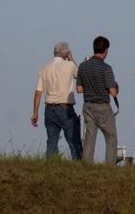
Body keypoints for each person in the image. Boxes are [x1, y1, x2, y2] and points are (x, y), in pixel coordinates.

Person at [31, 41, 82, 160]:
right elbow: (81, 75)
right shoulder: (70, 66)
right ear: (66, 53)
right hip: (65, 109)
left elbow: (38, 92)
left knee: (51, 143)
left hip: (49, 109)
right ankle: (78, 166)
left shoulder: (44, 69)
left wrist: (35, 113)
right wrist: (72, 59)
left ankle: (51, 167)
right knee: (73, 140)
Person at [76, 35, 118, 163]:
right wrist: (115, 85)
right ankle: (110, 165)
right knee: (111, 138)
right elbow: (113, 92)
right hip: (103, 107)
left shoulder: (83, 66)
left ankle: (86, 165)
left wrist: (90, 86)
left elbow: (79, 89)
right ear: (106, 50)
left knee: (89, 137)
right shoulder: (106, 68)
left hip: (88, 105)